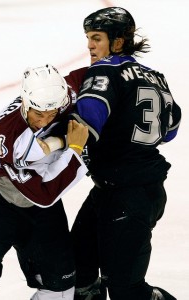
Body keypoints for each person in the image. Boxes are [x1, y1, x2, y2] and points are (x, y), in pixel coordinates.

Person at [64, 7, 181, 300]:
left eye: (97, 38)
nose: (90, 45)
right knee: (79, 271)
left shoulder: (104, 71)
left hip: (129, 196)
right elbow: (170, 130)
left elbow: (88, 121)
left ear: (118, 41)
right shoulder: (156, 76)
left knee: (126, 291)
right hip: (123, 190)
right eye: (89, 38)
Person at [0, 64, 89, 300]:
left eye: (51, 114)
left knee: (61, 290)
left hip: (37, 202)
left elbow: (87, 75)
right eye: (38, 114)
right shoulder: (7, 139)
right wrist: (74, 147)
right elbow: (44, 194)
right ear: (24, 101)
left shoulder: (60, 95)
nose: (44, 121)